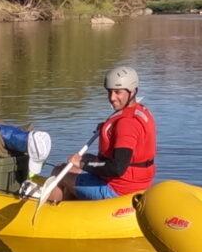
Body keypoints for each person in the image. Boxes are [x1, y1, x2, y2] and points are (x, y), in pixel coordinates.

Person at [45, 65, 158, 200]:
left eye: (118, 92)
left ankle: (52, 213)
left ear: (132, 92)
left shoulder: (126, 123)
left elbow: (117, 168)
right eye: (109, 91)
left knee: (59, 172)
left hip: (118, 190)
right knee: (75, 162)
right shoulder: (141, 111)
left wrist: (82, 164)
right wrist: (109, 129)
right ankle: (74, 203)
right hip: (138, 184)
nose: (112, 98)